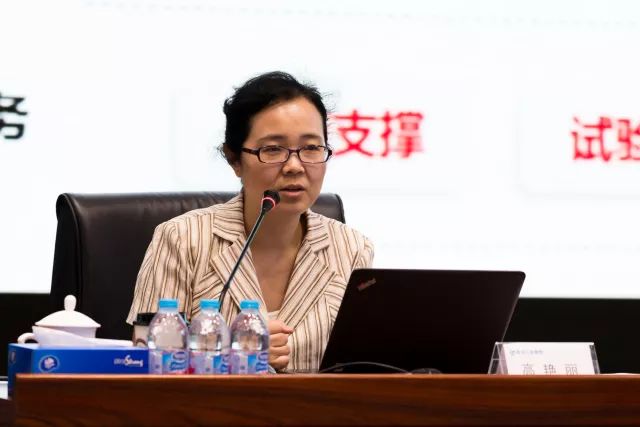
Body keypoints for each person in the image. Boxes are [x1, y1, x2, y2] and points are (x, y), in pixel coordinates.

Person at [127, 71, 374, 372]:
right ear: (235, 159)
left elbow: (363, 367)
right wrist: (231, 356)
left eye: (311, 148)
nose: (294, 166)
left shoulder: (351, 249)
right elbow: (145, 366)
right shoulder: (183, 239)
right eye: (273, 149)